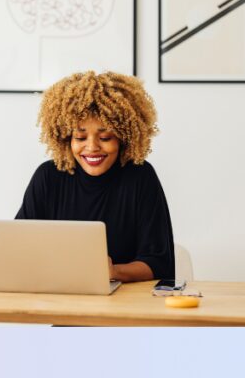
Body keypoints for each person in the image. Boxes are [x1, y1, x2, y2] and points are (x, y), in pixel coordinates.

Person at [15, 71, 174, 282]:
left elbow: (160, 264)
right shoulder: (48, 176)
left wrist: (113, 272)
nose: (92, 147)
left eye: (105, 137)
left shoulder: (140, 177)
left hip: (123, 305)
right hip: (55, 298)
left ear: (123, 137)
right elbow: (17, 248)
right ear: (65, 138)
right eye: (80, 137)